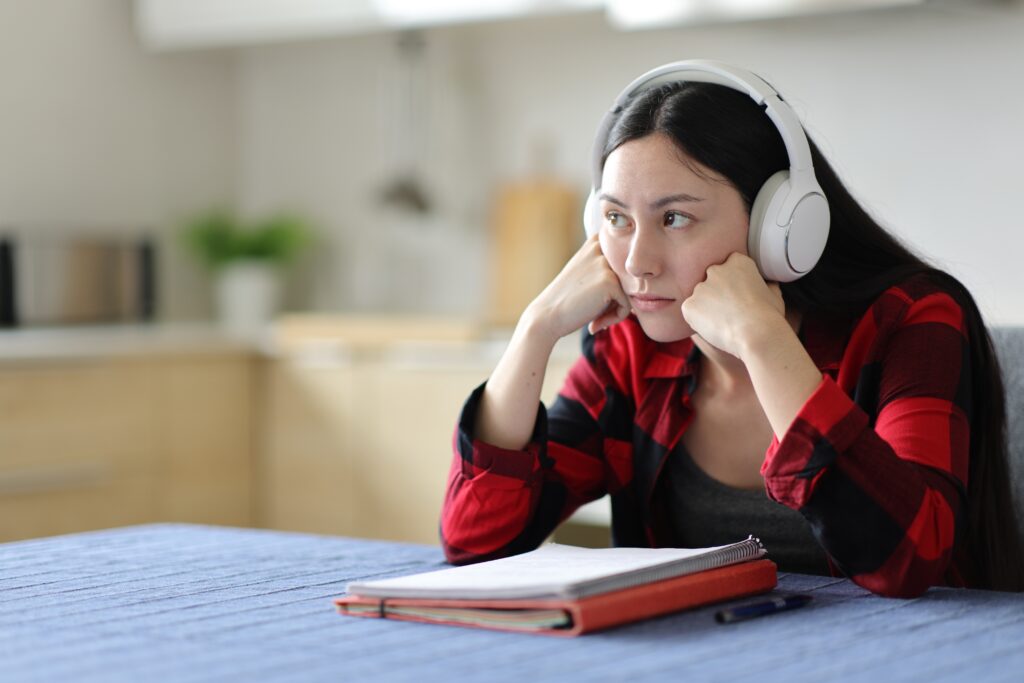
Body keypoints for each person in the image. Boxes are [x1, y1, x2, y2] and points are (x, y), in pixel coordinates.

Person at [439, 60, 1024, 597]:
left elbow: (908, 559)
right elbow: (475, 541)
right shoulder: (630, 350)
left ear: (781, 227)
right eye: (616, 218)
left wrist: (765, 342)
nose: (637, 260)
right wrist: (535, 330)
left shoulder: (910, 320)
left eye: (675, 218)